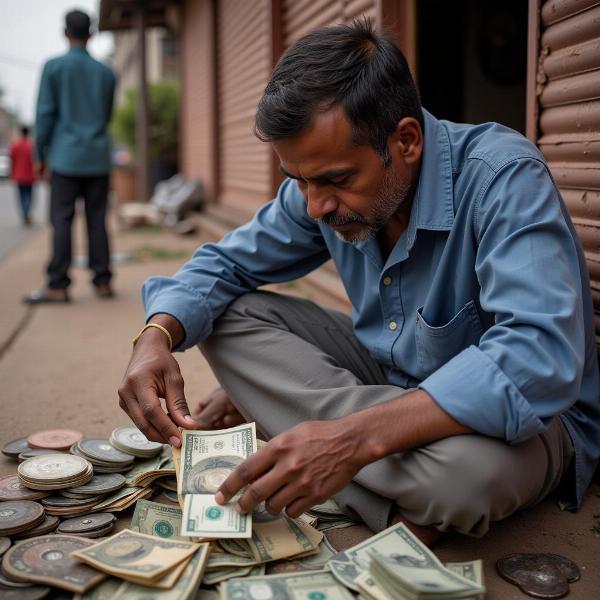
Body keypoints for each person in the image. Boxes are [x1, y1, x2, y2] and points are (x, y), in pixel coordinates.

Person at [119, 21, 600, 543]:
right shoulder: (318, 187)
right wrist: (155, 336)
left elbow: (538, 359)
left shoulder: (503, 176)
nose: (314, 205)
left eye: (337, 181)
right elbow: (223, 265)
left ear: (407, 141)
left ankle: (326, 453)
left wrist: (347, 440)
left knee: (467, 478)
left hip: (531, 420)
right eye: (297, 180)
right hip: (392, 377)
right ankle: (377, 487)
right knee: (225, 315)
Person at [24, 9, 116, 304]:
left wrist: (40, 155)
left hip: (64, 157)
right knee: (97, 218)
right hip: (98, 156)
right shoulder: (106, 72)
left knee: (61, 220)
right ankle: (102, 281)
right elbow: (106, 114)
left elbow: (45, 114)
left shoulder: (53, 67)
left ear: (65, 33)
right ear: (91, 34)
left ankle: (58, 284)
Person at [9, 126, 35, 226]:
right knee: (29, 195)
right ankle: (26, 212)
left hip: (19, 175)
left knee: (21, 195)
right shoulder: (31, 146)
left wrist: (11, 173)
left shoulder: (15, 146)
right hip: (30, 176)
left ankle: (24, 212)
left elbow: (12, 160)